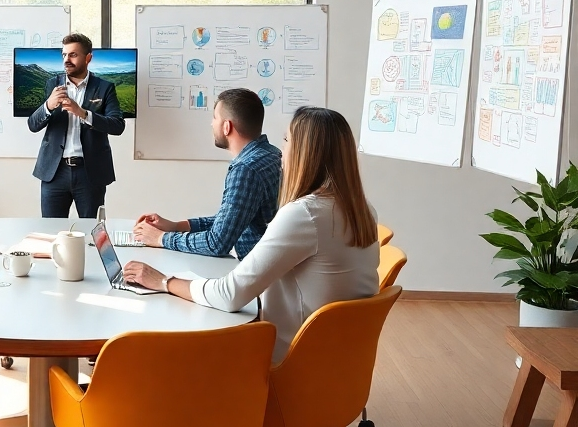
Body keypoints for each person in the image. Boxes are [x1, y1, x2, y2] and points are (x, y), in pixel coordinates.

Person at [122, 106, 379, 362]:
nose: (281, 151)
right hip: (341, 363)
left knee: (176, 347)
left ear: (304, 153)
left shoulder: (305, 215)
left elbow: (229, 295)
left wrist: (163, 281)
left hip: (290, 364)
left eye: (287, 139)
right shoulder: (362, 209)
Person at [132, 88, 282, 258]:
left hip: (255, 269)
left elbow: (216, 243)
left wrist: (161, 238)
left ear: (227, 127)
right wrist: (176, 226)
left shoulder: (246, 169)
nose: (211, 124)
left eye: (215, 118)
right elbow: (230, 221)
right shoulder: (271, 154)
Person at [28, 33, 125, 218]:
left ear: (88, 58)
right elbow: (33, 124)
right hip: (54, 172)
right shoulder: (52, 84)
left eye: (73, 55)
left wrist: (83, 113)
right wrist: (48, 105)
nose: (67, 60)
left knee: (91, 229)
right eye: (64, 55)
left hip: (90, 172)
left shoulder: (105, 87)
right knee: (51, 229)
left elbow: (117, 126)